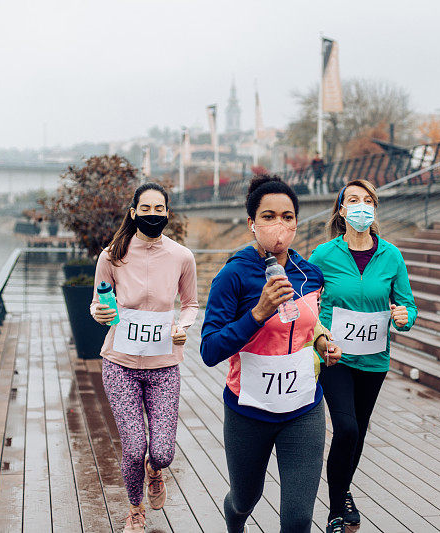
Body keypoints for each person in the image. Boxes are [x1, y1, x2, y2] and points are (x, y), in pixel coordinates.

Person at [200, 175, 341, 533]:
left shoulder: (309, 273)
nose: (279, 224)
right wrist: (257, 314)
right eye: (268, 216)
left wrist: (323, 342)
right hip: (249, 409)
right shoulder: (233, 276)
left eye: (287, 216)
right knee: (245, 498)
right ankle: (234, 517)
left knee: (297, 519)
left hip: (303, 408)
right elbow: (209, 349)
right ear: (252, 223)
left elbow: (310, 323)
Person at [309, 180, 418, 533]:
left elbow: (408, 305)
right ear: (341, 210)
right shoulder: (324, 255)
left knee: (358, 433)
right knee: (346, 428)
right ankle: (336, 509)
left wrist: (405, 317)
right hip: (336, 357)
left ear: (375, 208)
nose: (360, 206)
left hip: (374, 361)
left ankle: (343, 492)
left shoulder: (392, 255)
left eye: (367, 200)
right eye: (353, 200)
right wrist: (319, 336)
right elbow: (306, 301)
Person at [91, 183, 198, 533]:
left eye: (159, 209)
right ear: (133, 212)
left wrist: (181, 326)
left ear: (167, 213)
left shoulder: (182, 256)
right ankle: (135, 510)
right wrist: (101, 313)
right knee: (135, 447)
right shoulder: (111, 256)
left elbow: (191, 304)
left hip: (164, 366)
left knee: (162, 452)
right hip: (119, 363)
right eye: (146, 208)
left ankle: (157, 471)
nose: (153, 215)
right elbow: (97, 303)